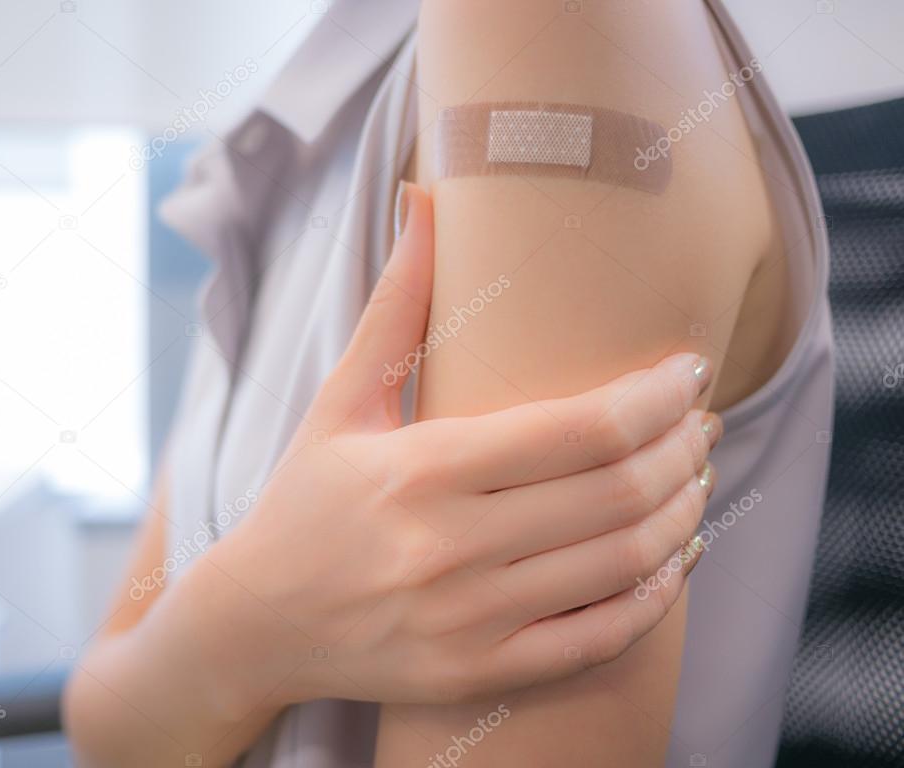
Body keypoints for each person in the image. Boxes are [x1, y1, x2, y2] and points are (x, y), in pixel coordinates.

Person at [64, 1, 834, 766]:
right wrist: (250, 624)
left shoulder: (552, 26)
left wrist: (219, 659)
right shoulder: (310, 103)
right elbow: (101, 725)